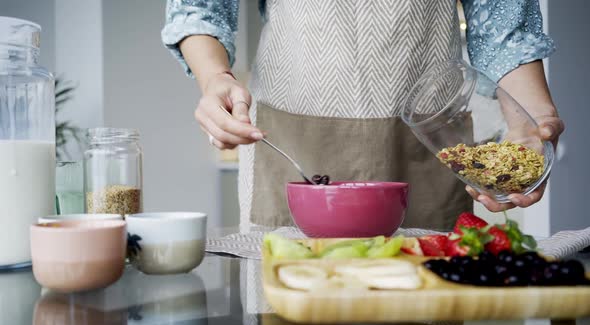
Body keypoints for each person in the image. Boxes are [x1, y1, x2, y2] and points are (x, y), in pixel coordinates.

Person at [162, 0, 564, 231]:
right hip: (293, 137)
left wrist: (529, 120)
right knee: (296, 309)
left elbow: (504, 26)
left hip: (426, 146)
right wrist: (215, 78)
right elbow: (201, 7)